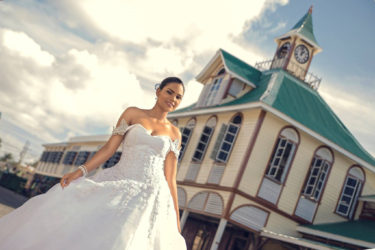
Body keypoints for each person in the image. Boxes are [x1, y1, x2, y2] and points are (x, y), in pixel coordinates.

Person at [0, 77, 187, 250]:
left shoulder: (175, 134)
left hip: (152, 193)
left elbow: (170, 177)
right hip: (120, 179)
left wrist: (175, 218)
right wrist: (80, 171)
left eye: (179, 96)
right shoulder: (133, 113)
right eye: (169, 92)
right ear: (158, 91)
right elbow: (108, 149)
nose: (173, 98)